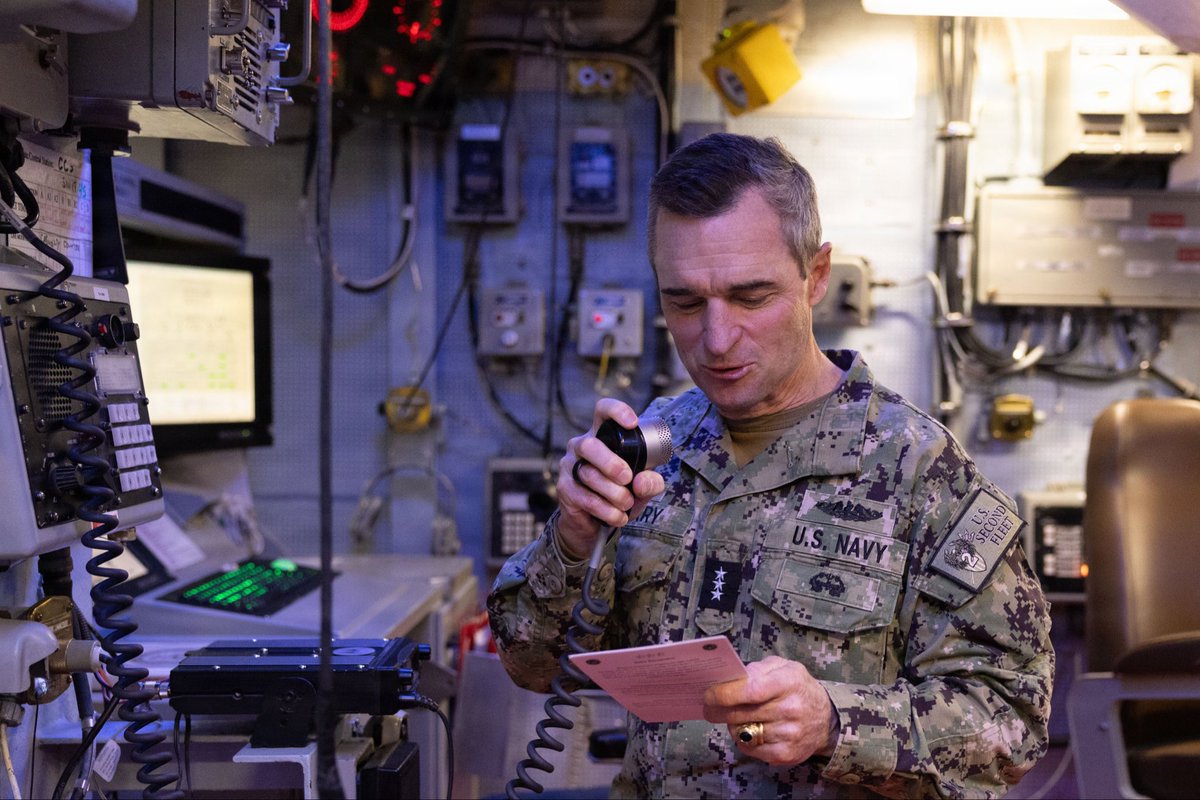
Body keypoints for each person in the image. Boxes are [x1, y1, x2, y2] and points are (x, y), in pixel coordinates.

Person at [488, 132, 1054, 797]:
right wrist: (574, 541)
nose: (717, 339)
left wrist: (837, 724)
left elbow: (1012, 719)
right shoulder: (655, 449)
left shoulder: (921, 474)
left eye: (751, 297)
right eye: (686, 303)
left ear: (816, 276)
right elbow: (532, 666)